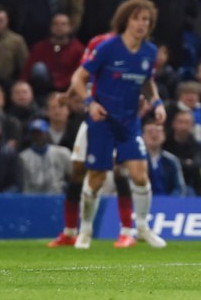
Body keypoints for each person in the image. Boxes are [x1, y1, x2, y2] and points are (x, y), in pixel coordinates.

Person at [70, 0, 167, 249]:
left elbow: (147, 81)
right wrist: (90, 103)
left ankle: (143, 227)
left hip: (129, 122)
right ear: (126, 20)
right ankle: (86, 231)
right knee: (97, 178)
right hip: (102, 121)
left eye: (146, 20)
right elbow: (78, 78)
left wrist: (156, 101)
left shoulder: (149, 52)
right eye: (137, 18)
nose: (141, 24)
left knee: (139, 175)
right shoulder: (107, 48)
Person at [47, 32, 138, 248]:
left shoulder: (132, 51)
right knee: (77, 170)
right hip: (93, 119)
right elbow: (83, 75)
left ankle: (127, 232)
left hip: (117, 120)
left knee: (119, 170)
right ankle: (69, 232)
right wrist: (69, 96)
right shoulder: (96, 43)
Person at [19, 118, 71, 195]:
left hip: (56, 197)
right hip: (33, 198)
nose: (38, 136)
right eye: (34, 134)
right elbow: (24, 185)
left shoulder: (62, 153)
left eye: (40, 133)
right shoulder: (23, 158)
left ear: (47, 133)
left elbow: (72, 176)